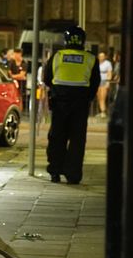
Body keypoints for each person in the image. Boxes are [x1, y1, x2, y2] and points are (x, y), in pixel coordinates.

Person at [42, 26, 100, 185]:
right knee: (77, 140)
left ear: (66, 40)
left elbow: (47, 79)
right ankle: (73, 175)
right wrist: (86, 97)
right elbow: (95, 83)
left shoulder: (57, 56)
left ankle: (55, 171)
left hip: (59, 104)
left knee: (57, 138)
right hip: (80, 105)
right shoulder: (91, 58)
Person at [96, 51, 113, 118]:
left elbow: (109, 73)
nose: (101, 57)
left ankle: (103, 112)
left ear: (105, 57)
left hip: (104, 81)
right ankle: (101, 111)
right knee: (99, 97)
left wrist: (108, 82)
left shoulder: (108, 63)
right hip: (97, 81)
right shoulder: (96, 63)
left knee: (103, 97)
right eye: (100, 56)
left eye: (103, 56)